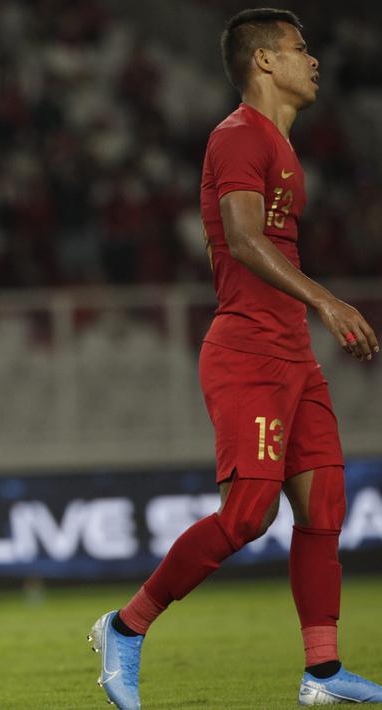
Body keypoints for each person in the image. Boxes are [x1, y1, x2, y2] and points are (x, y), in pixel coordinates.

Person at [89, 9, 381, 709]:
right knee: (247, 515)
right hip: (247, 351)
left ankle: (321, 671)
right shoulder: (236, 137)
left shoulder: (278, 144)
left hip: (290, 355)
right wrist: (326, 301)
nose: (312, 60)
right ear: (262, 62)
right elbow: (244, 240)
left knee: (324, 506)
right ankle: (124, 628)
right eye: (298, 48)